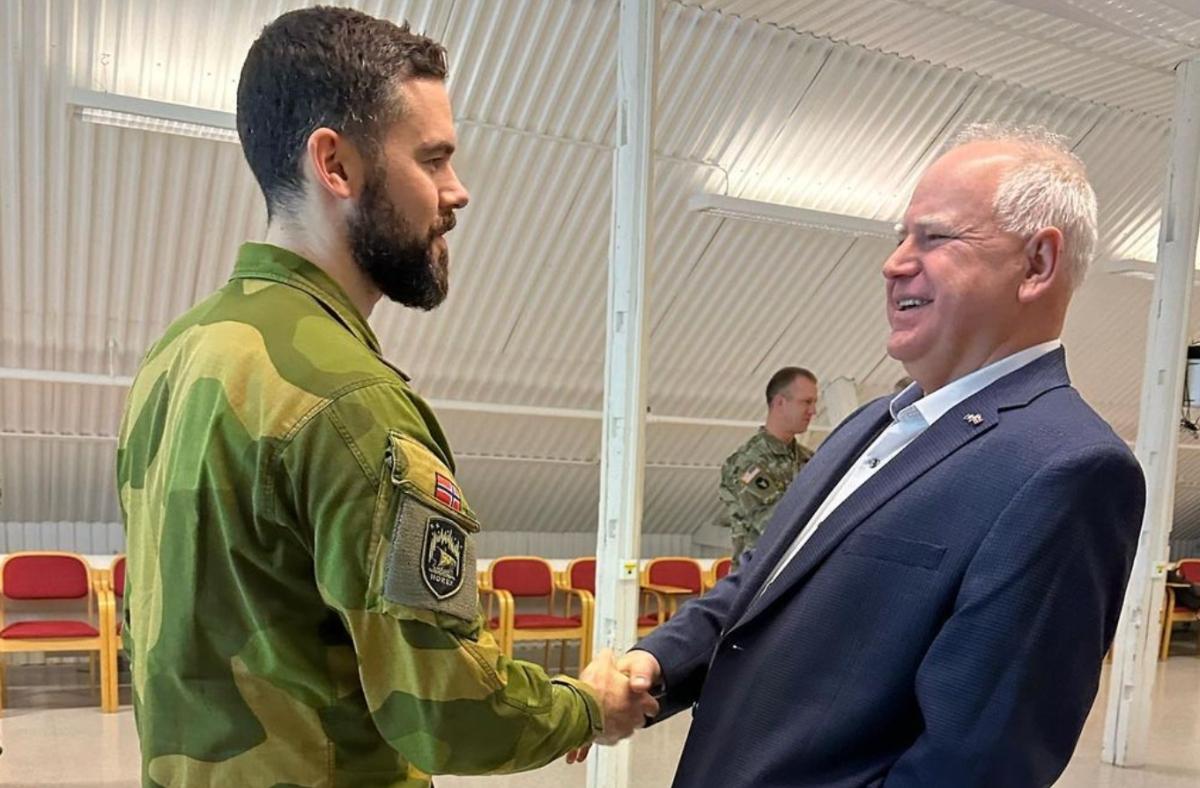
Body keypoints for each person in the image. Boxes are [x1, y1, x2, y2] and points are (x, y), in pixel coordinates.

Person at [115, 8, 652, 786]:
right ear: (336, 165)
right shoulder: (350, 404)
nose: (457, 192)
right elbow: (445, 713)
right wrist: (587, 704)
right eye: (432, 160)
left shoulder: (177, 356)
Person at [585, 124, 1147, 786]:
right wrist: (650, 663)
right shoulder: (868, 426)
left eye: (934, 238)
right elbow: (759, 586)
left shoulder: (1067, 468)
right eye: (900, 238)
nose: (895, 262)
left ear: (1037, 265)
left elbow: (975, 767)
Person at [718, 368, 818, 566]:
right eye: (806, 402)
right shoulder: (748, 463)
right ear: (780, 403)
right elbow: (776, 527)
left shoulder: (810, 459)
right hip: (758, 581)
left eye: (814, 403)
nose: (813, 411)